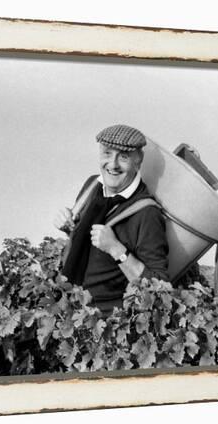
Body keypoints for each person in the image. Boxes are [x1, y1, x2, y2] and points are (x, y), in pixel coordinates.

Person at [54, 124, 169, 315]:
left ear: (138, 162)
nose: (113, 164)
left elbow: (160, 288)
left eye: (123, 157)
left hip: (109, 325)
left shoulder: (147, 213)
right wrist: (68, 227)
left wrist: (117, 250)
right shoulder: (92, 185)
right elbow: (86, 244)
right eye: (107, 154)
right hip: (71, 309)